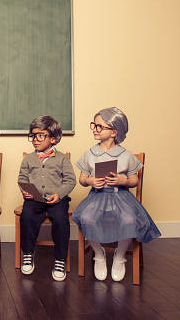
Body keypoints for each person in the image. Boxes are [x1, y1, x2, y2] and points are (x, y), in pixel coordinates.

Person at [72, 107, 161, 282]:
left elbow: (134, 180)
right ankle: (99, 253)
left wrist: (123, 181)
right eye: (94, 126)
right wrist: (90, 181)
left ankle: (120, 256)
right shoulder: (90, 154)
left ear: (114, 131)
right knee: (87, 217)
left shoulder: (125, 155)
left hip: (120, 197)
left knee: (129, 219)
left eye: (99, 126)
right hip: (97, 196)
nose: (95, 130)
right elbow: (82, 179)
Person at [18, 115, 77, 281]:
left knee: (60, 218)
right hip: (34, 199)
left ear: (53, 138)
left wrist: (59, 194)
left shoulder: (62, 159)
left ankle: (60, 259)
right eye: (33, 136)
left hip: (57, 199)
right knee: (27, 216)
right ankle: (28, 253)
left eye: (40, 135)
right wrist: (25, 191)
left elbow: (70, 180)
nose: (35, 140)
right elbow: (22, 179)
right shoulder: (29, 159)